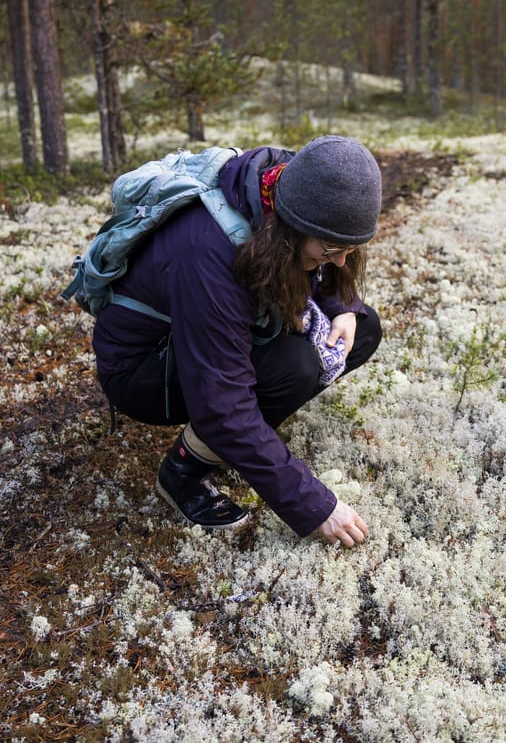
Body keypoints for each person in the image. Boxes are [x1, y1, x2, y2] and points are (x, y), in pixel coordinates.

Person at [93, 135, 383, 547]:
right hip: (141, 369)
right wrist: (316, 506)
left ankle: (246, 442)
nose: (340, 260)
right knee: (294, 368)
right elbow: (222, 406)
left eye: (351, 248)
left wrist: (342, 305)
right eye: (332, 248)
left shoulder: (291, 182)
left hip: (203, 328)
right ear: (292, 226)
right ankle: (181, 474)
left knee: (360, 328)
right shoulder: (208, 255)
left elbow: (330, 267)